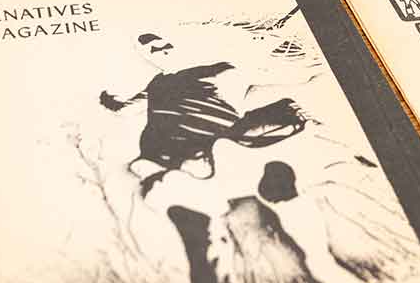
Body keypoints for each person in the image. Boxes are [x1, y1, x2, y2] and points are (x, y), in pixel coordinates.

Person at [100, 32, 307, 195]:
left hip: (207, 138)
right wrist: (110, 102)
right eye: (152, 50)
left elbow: (251, 92)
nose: (160, 52)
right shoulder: (157, 83)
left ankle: (189, 162)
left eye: (165, 46)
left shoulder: (219, 71)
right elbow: (128, 109)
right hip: (169, 144)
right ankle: (177, 165)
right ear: (145, 57)